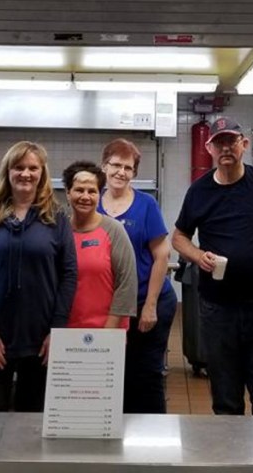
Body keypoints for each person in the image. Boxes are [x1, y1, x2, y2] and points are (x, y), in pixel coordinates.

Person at [172, 116, 253, 416]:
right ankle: (232, 461)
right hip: (218, 311)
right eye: (219, 142)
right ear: (209, 148)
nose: (226, 147)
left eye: (231, 141)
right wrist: (197, 254)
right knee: (226, 398)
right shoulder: (199, 191)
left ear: (244, 144)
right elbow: (179, 238)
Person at [0, 141, 78, 412]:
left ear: (42, 173)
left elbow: (69, 274)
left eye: (33, 168)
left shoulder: (56, 218)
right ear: (8, 172)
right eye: (19, 167)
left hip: (40, 340)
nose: (25, 174)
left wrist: (57, 331)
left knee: (32, 421)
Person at [98, 139, 177, 414]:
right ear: (104, 166)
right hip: (110, 307)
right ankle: (115, 433)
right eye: (116, 165)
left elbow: (161, 256)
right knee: (111, 370)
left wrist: (150, 306)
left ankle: (150, 438)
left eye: (128, 167)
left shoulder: (146, 205)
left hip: (147, 299)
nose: (121, 172)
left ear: (134, 172)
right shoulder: (91, 202)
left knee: (145, 373)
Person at [63, 160, 137, 330]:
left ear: (99, 194)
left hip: (106, 328)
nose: (85, 197)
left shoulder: (113, 230)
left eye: (92, 191)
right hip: (64, 331)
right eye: (79, 190)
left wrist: (109, 331)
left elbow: (127, 283)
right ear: (68, 192)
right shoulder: (59, 231)